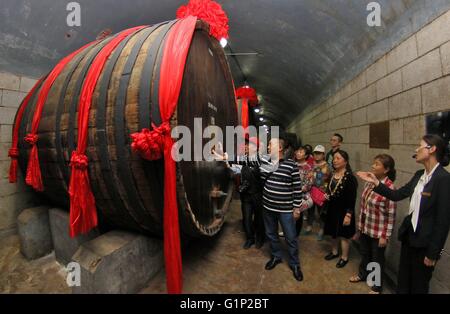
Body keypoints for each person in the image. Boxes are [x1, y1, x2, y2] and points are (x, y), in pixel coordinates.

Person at [357, 134, 450, 294]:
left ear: (432, 149)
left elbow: (443, 221)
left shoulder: (443, 179)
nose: (416, 149)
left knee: (419, 286)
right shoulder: (419, 175)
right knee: (403, 282)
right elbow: (397, 195)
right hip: (409, 238)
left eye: (420, 146)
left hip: (425, 244)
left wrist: (433, 253)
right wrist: (376, 183)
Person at [350, 154, 397, 294]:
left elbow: (391, 215)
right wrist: (359, 229)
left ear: (386, 169)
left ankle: (376, 286)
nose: (373, 166)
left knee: (377, 259)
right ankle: (363, 274)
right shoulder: (369, 182)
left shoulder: (390, 188)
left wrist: (385, 236)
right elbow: (363, 208)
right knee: (364, 253)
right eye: (373, 163)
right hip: (366, 228)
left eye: (377, 164)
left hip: (378, 232)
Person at [323, 150, 358, 268]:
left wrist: (349, 215)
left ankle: (344, 257)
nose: (335, 160)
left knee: (344, 235)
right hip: (332, 208)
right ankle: (334, 252)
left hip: (344, 210)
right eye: (334, 158)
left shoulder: (350, 178)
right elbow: (330, 189)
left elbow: (352, 198)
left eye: (338, 158)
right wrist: (327, 195)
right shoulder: (333, 174)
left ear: (345, 161)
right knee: (333, 232)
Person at [237, 137, 265, 249]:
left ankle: (260, 238)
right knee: (246, 218)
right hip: (246, 195)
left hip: (258, 194)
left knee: (259, 218)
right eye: (246, 145)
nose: (246, 147)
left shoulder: (261, 159)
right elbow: (236, 168)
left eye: (249, 145)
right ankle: (250, 239)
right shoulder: (243, 159)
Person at [306, 145, 332, 240]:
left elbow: (326, 179)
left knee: (321, 212)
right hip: (311, 191)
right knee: (310, 210)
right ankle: (309, 227)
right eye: (315, 153)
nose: (317, 155)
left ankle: (322, 230)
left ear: (323, 155)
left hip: (321, 192)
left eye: (319, 153)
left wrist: (328, 192)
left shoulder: (327, 166)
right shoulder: (311, 164)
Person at [293, 146, 314, 236]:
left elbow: (309, 184)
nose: (298, 153)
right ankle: (289, 231)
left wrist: (297, 189)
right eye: (298, 151)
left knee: (298, 215)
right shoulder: (292, 164)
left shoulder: (308, 168)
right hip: (290, 194)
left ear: (306, 156)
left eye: (301, 152)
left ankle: (295, 234)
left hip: (301, 196)